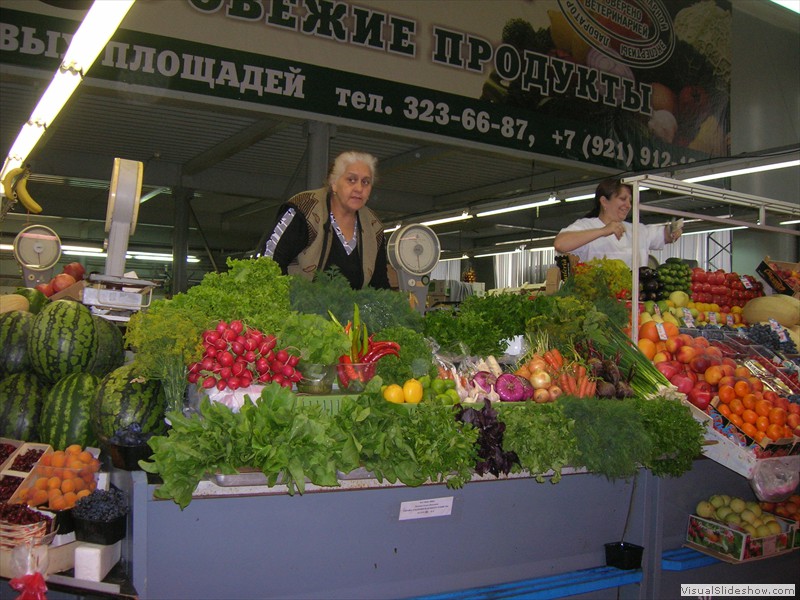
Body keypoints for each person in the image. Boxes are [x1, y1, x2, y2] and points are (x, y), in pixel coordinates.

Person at [264, 151, 391, 289]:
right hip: (295, 306)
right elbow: (270, 263)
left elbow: (380, 286)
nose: (359, 188)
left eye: (366, 182)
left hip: (349, 309)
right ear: (334, 183)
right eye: (351, 180)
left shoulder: (374, 227)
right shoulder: (305, 209)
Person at [553, 177, 682, 268]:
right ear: (604, 201)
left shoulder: (637, 231)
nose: (628, 205)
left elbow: (663, 235)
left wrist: (672, 231)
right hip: (598, 303)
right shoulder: (586, 226)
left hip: (634, 302)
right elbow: (560, 244)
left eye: (630, 201)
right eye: (622, 199)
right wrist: (603, 231)